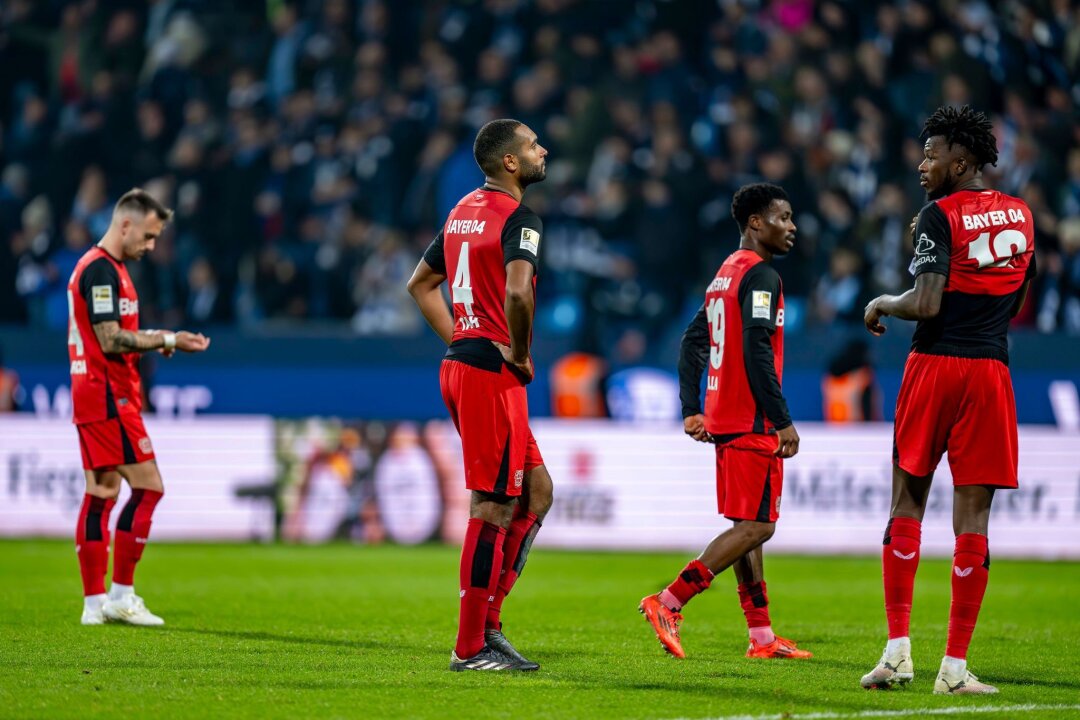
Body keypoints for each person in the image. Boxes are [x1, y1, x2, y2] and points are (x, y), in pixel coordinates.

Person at [860, 105, 1035, 695]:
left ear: (961, 162)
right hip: (989, 368)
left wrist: (886, 299)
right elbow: (1015, 293)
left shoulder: (938, 215)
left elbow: (929, 303)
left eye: (932, 154)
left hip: (935, 365)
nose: (922, 163)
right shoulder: (1023, 215)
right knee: (974, 518)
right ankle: (954, 670)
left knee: (907, 500)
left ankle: (897, 654)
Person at [639, 183, 811, 661]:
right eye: (783, 216)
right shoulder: (760, 276)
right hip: (750, 419)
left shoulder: (724, 276)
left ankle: (761, 638)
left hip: (723, 416)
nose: (792, 226)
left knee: (746, 528)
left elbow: (691, 342)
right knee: (758, 527)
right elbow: (758, 350)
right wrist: (781, 420)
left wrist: (691, 408)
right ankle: (669, 600)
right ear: (756, 223)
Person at [407, 119, 554, 672]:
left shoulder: (461, 211)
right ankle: (469, 646)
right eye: (534, 145)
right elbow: (518, 290)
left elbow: (419, 284)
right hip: (490, 372)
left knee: (536, 492)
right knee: (491, 503)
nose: (544, 151)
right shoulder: (521, 219)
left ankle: (488, 624)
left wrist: (462, 338)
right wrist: (516, 351)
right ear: (510, 162)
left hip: (466, 364)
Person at [68, 189, 211, 626]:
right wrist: (167, 339)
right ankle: (121, 596)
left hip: (95, 394)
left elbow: (109, 334)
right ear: (125, 224)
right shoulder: (102, 272)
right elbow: (110, 339)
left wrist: (149, 339)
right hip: (109, 396)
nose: (151, 247)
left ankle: (95, 604)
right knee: (149, 488)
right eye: (148, 237)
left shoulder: (107, 270)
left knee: (102, 493)